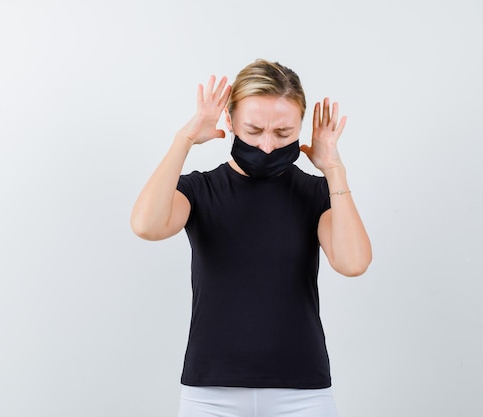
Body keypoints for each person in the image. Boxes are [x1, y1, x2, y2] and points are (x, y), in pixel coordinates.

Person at [130, 59, 372, 417]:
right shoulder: (199, 190)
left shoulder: (315, 193)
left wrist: (334, 170)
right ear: (229, 122)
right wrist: (184, 139)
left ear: (301, 129)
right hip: (210, 393)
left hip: (302, 392)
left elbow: (353, 263)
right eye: (254, 130)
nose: (268, 146)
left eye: (284, 133)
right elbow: (147, 226)